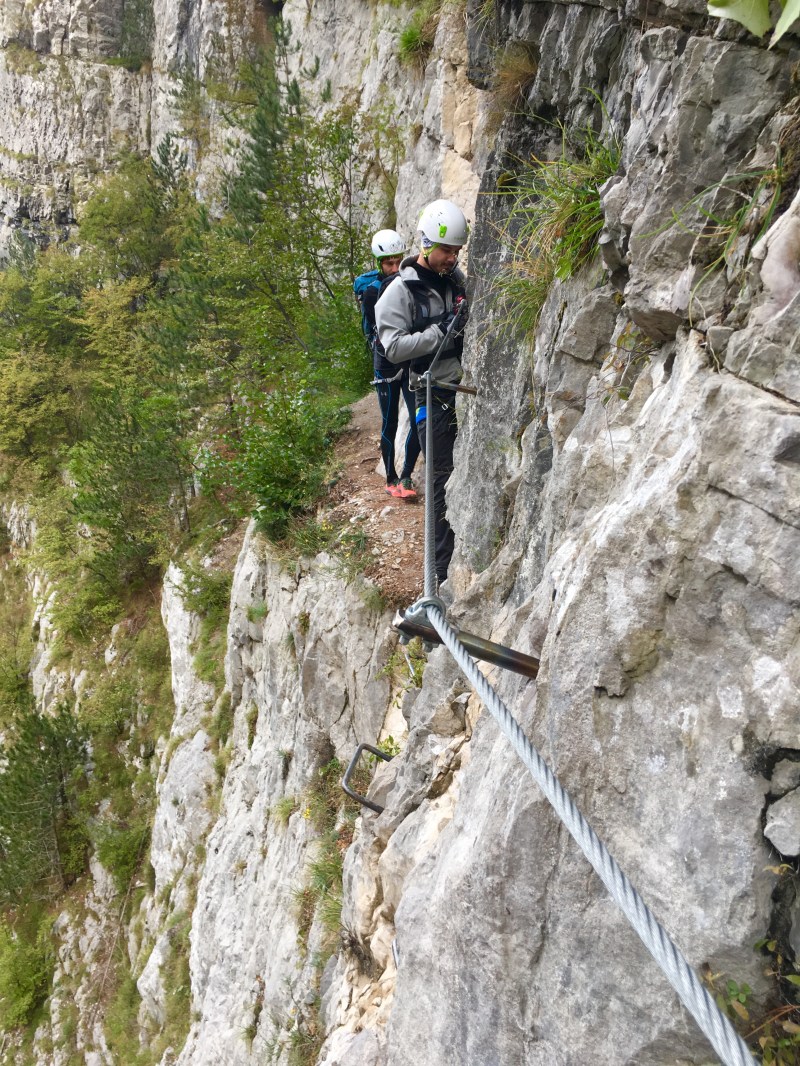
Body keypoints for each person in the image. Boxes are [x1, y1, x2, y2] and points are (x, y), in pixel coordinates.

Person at [374, 199, 469, 585]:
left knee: (451, 474)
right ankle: (439, 572)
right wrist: (439, 331)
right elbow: (393, 348)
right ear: (426, 245)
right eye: (447, 250)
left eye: (457, 251)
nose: (452, 258)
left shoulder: (454, 280)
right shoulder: (397, 294)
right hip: (430, 391)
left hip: (460, 384)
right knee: (440, 476)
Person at [353, 229, 421, 500]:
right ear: (378, 263)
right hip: (386, 363)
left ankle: (406, 474)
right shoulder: (372, 293)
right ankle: (391, 478)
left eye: (397, 261)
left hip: (407, 358)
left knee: (418, 421)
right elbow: (383, 329)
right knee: (389, 422)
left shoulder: (408, 282)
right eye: (388, 263)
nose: (394, 268)